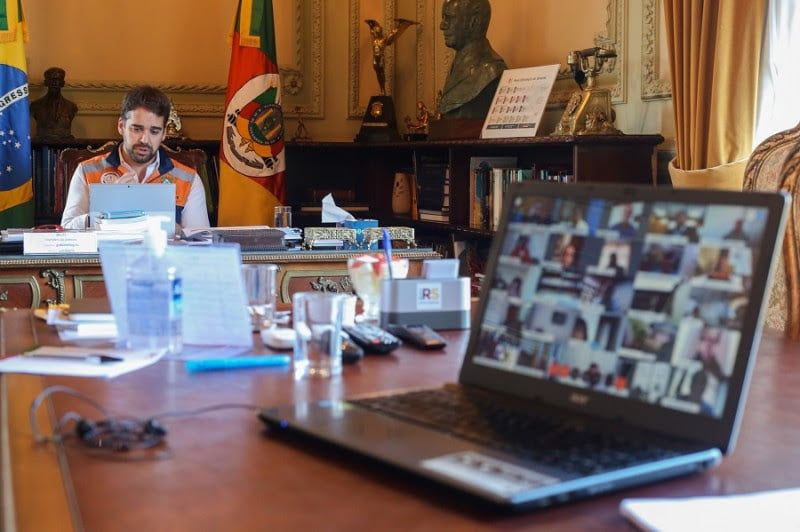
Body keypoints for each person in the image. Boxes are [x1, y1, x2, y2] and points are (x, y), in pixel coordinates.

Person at [61, 86, 210, 230]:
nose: (144, 139)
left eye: (154, 131)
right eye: (137, 129)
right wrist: (105, 211)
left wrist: (171, 228)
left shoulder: (188, 179)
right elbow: (66, 230)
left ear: (164, 133)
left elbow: (201, 240)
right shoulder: (87, 170)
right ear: (121, 126)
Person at [438, 0, 507, 119]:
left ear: (473, 21)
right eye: (443, 18)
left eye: (450, 18)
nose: (442, 26)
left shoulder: (491, 70)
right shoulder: (458, 64)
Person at [365, 19, 417, 96]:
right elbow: (371, 31)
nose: (375, 33)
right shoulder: (374, 40)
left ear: (379, 32)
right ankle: (382, 89)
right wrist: (371, 24)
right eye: (375, 31)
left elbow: (393, 34)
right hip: (375, 61)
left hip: (381, 60)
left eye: (376, 32)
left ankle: (383, 90)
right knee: (378, 75)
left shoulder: (383, 40)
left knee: (381, 74)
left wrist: (400, 26)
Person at [29, 67, 78, 140]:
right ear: (46, 82)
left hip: (65, 144)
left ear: (62, 83)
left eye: (58, 79)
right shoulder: (35, 105)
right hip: (42, 144)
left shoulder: (71, 107)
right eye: (51, 79)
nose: (54, 83)